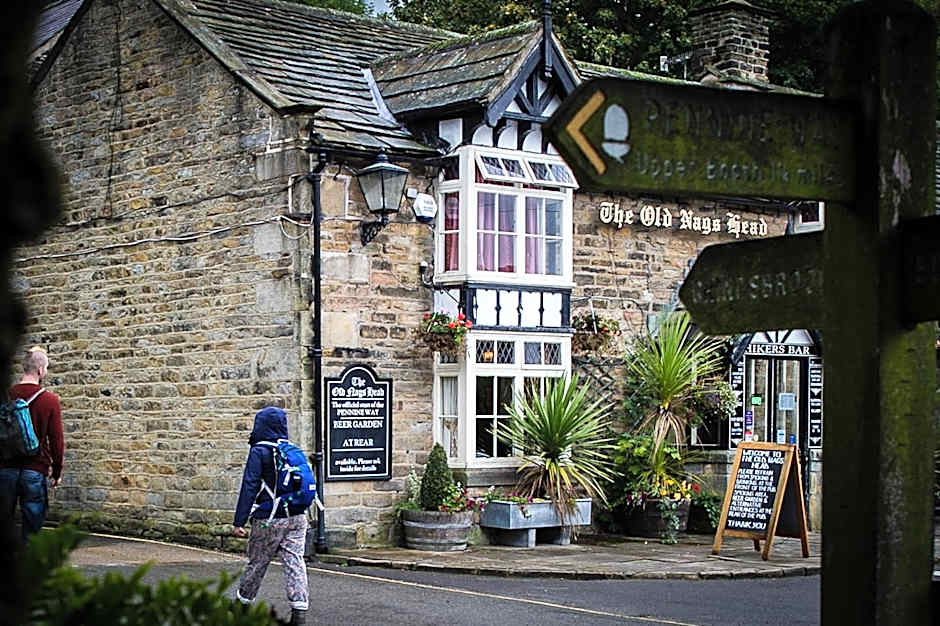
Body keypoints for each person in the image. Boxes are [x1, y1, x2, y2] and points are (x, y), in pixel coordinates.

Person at [233, 406, 309, 626]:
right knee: (295, 563)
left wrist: (239, 521)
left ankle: (241, 607)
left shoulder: (259, 451)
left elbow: (250, 485)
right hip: (297, 516)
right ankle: (299, 614)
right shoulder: (293, 450)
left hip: (269, 519)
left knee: (257, 562)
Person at [0, 346, 64, 541]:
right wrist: (57, 471)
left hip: (5, 470)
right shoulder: (50, 400)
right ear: (40, 370)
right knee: (32, 530)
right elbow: (56, 440)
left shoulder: (7, 396)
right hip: (35, 471)